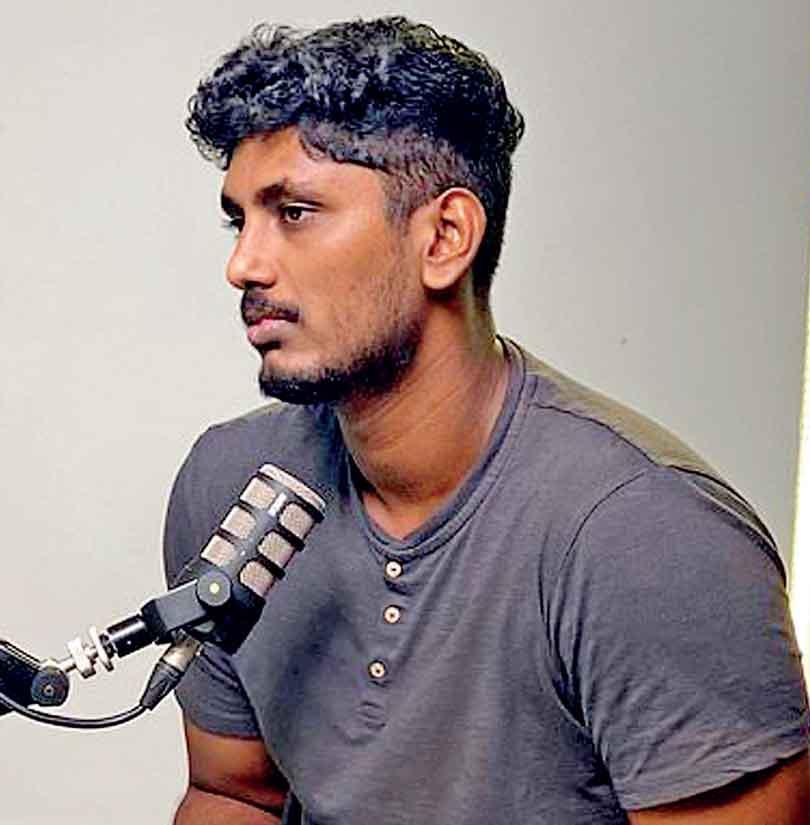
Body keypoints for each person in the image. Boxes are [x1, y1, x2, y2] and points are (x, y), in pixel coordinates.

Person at [164, 16, 809, 824]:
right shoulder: (233, 486)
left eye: (294, 212)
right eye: (240, 220)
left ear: (445, 237)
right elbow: (233, 792)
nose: (243, 265)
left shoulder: (646, 538)